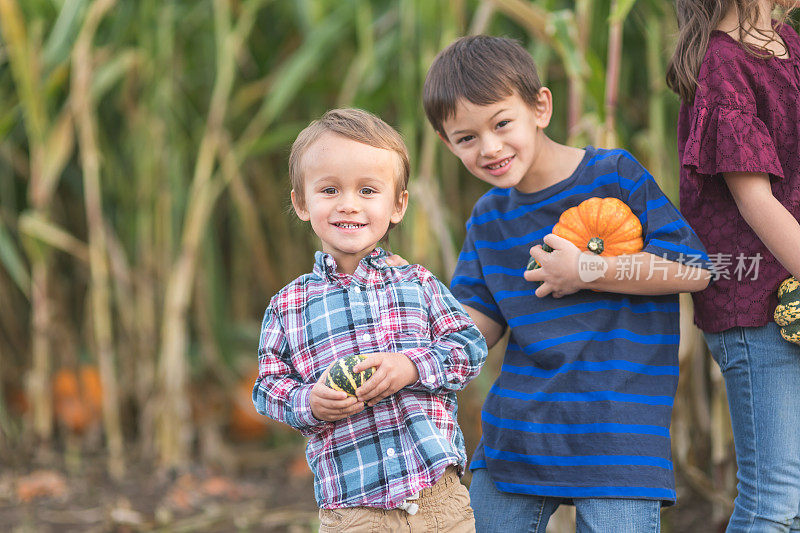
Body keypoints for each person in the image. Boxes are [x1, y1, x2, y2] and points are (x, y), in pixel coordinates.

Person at [421, 35, 712, 532]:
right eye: (466, 138)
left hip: (617, 431)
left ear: (541, 107)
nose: (489, 148)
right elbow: (474, 323)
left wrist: (588, 270)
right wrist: (408, 353)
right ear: (449, 145)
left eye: (501, 123)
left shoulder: (614, 175)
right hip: (518, 431)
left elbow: (693, 269)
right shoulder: (488, 219)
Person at [252, 108, 487, 533]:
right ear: (301, 203)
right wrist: (310, 402)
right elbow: (267, 387)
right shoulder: (289, 305)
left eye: (367, 190)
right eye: (329, 190)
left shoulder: (418, 284)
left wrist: (411, 366)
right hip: (354, 510)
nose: (348, 204)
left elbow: (469, 348)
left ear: (397, 205)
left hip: (439, 499)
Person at [667, 1, 800, 530]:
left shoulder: (787, 42)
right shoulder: (723, 65)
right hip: (756, 302)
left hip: (789, 290)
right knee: (775, 497)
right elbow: (756, 201)